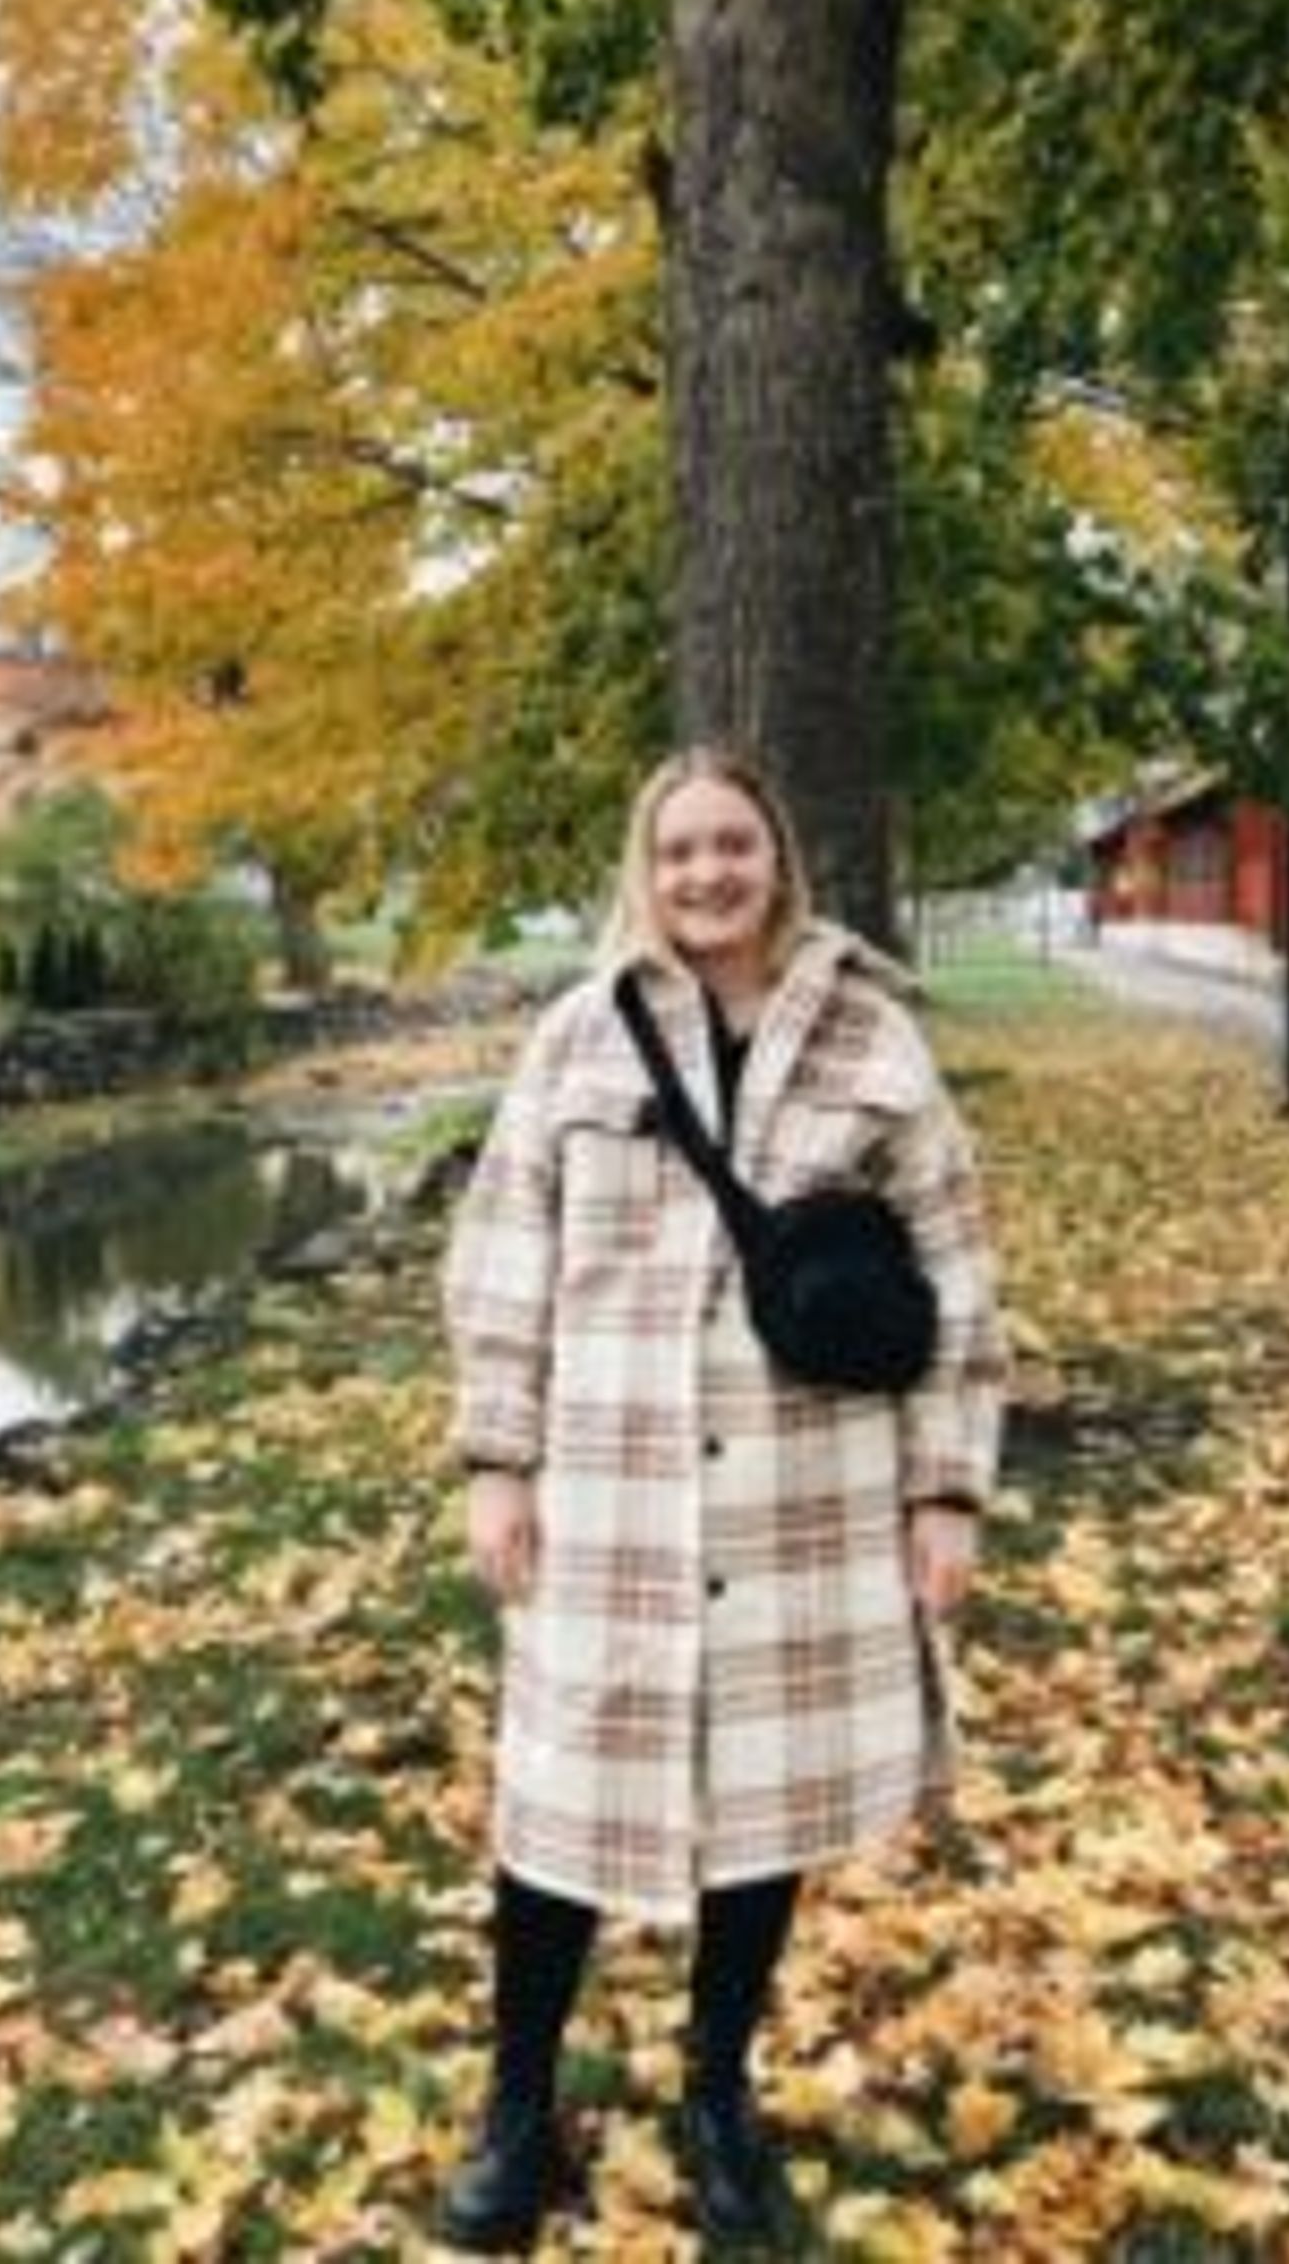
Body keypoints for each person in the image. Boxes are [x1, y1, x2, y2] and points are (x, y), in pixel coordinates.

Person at [439, 748, 1008, 2253]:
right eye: (679, 849)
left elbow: (955, 1267)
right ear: (648, 864)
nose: (706, 874)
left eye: (732, 846)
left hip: (809, 1488)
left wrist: (947, 1488)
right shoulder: (578, 1041)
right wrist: (498, 1458)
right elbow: (506, 1250)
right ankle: (516, 2108)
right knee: (556, 1799)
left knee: (765, 1807)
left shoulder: (875, 1040)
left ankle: (717, 2097)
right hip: (608, 1487)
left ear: (777, 859)